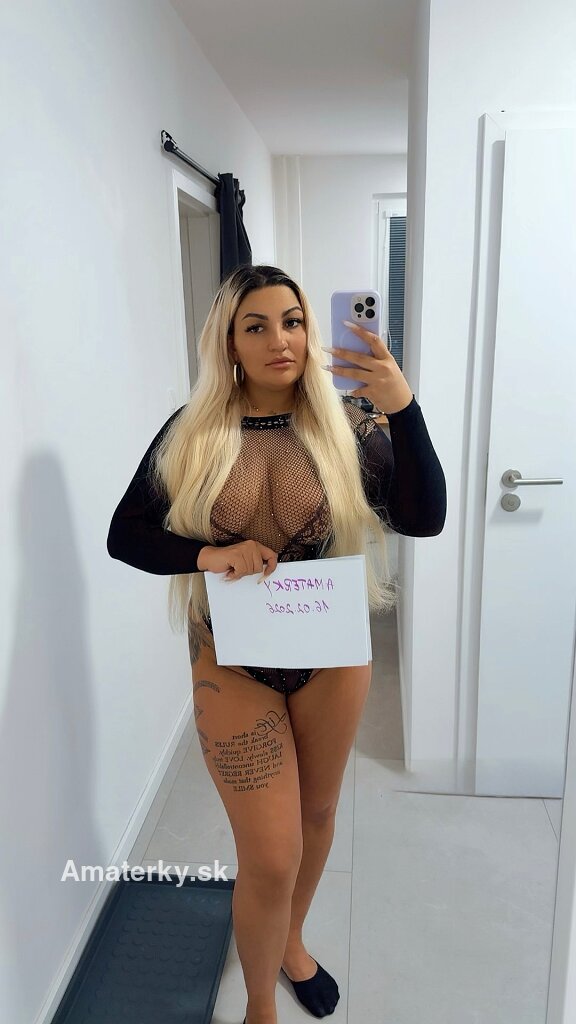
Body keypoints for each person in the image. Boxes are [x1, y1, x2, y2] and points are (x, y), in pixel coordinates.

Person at [107, 264, 447, 1024]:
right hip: (233, 659)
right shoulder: (192, 432)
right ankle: (260, 1003)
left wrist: (403, 408)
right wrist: (207, 553)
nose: (279, 340)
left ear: (309, 328)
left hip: (331, 653)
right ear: (228, 342)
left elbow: (424, 518)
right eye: (255, 326)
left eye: (292, 321)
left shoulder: (350, 425)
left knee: (318, 815)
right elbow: (125, 535)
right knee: (269, 853)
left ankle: (292, 940)